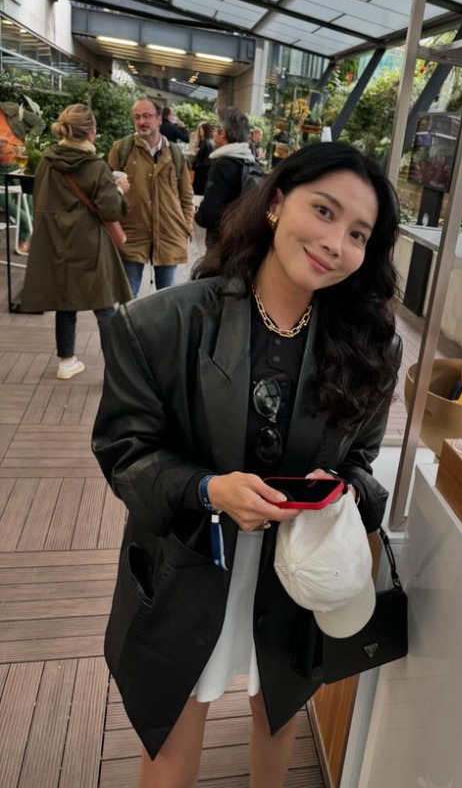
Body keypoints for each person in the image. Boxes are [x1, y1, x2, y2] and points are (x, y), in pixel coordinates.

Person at [92, 142, 402, 788]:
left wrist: (340, 489)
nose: (334, 243)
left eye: (358, 234)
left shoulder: (367, 345)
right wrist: (208, 488)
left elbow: (363, 464)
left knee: (277, 716)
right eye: (324, 210)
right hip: (191, 563)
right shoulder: (161, 323)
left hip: (295, 570)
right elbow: (126, 452)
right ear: (278, 201)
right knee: (173, 733)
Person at [20, 104, 132, 379]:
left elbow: (40, 200)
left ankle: (66, 361)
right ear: (91, 132)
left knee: (65, 301)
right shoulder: (96, 167)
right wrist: (118, 190)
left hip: (56, 242)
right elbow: (110, 211)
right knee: (104, 305)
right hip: (90, 243)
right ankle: (115, 369)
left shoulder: (46, 161)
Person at [109, 98, 194, 297]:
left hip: (169, 235)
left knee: (166, 300)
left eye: (147, 116)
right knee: (128, 298)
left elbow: (186, 196)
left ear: (159, 119)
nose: (141, 122)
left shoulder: (175, 154)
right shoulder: (122, 149)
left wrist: (185, 226)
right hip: (132, 235)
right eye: (137, 117)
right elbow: (108, 192)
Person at [195, 106, 256, 248]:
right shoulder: (249, 161)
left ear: (223, 133)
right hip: (241, 240)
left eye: (215, 129)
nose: (213, 134)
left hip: (221, 241)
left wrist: (198, 215)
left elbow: (209, 215)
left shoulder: (221, 165)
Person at [192, 122, 214, 196]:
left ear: (205, 130)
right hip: (208, 167)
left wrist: (197, 152)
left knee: (198, 188)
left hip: (202, 167)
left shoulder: (205, 141)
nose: (200, 132)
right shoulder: (211, 140)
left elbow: (199, 155)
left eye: (201, 130)